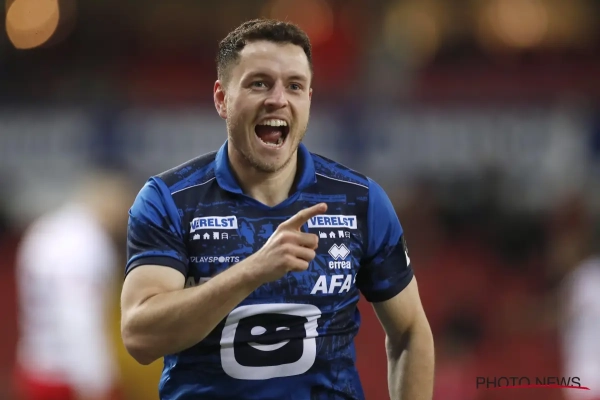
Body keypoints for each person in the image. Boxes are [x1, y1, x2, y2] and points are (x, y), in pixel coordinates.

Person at [121, 19, 434, 400]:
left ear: (309, 100)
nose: (278, 99)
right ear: (222, 99)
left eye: (295, 86)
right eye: (259, 83)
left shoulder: (360, 201)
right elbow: (140, 337)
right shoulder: (169, 200)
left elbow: (410, 331)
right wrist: (253, 270)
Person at [14, 170, 132, 400]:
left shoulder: (48, 227)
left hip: (34, 362)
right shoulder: (86, 243)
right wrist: (98, 382)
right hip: (66, 379)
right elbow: (77, 318)